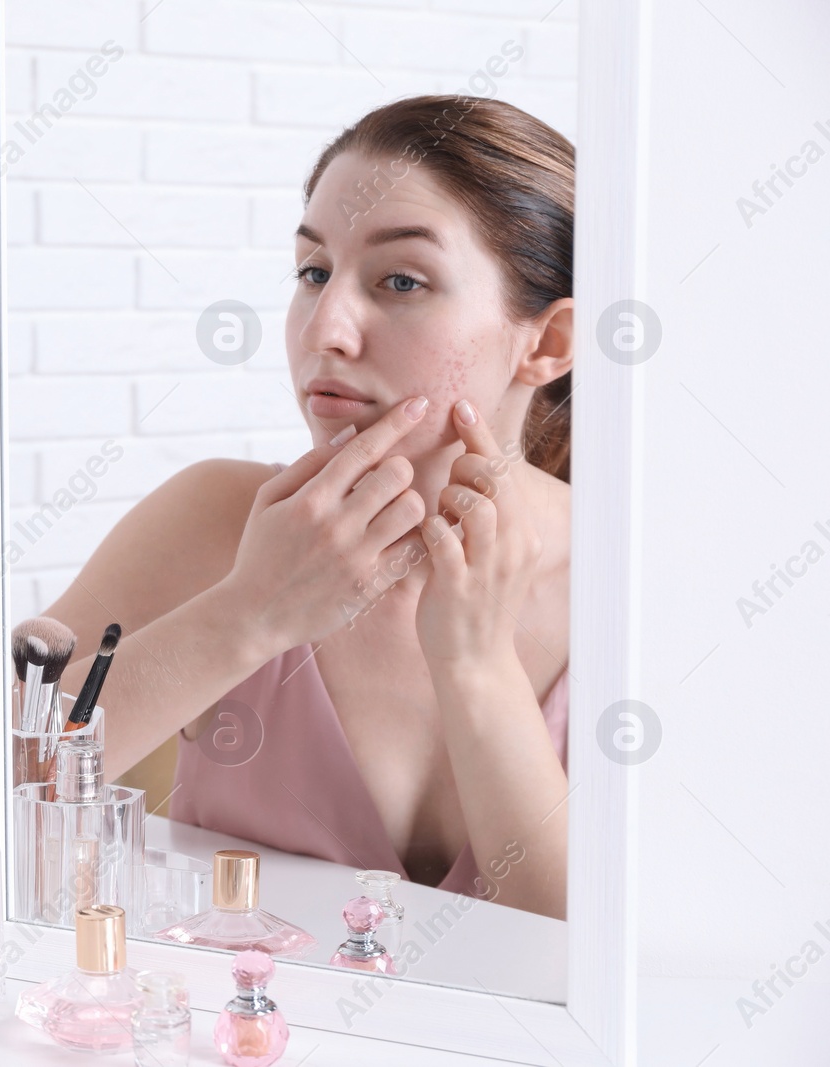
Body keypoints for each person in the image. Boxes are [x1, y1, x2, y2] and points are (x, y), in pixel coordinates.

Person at [45, 96, 573, 919]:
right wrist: (248, 613)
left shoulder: (631, 587)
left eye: (401, 281)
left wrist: (475, 666)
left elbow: (605, 969)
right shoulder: (216, 521)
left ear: (547, 343)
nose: (325, 328)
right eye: (313, 272)